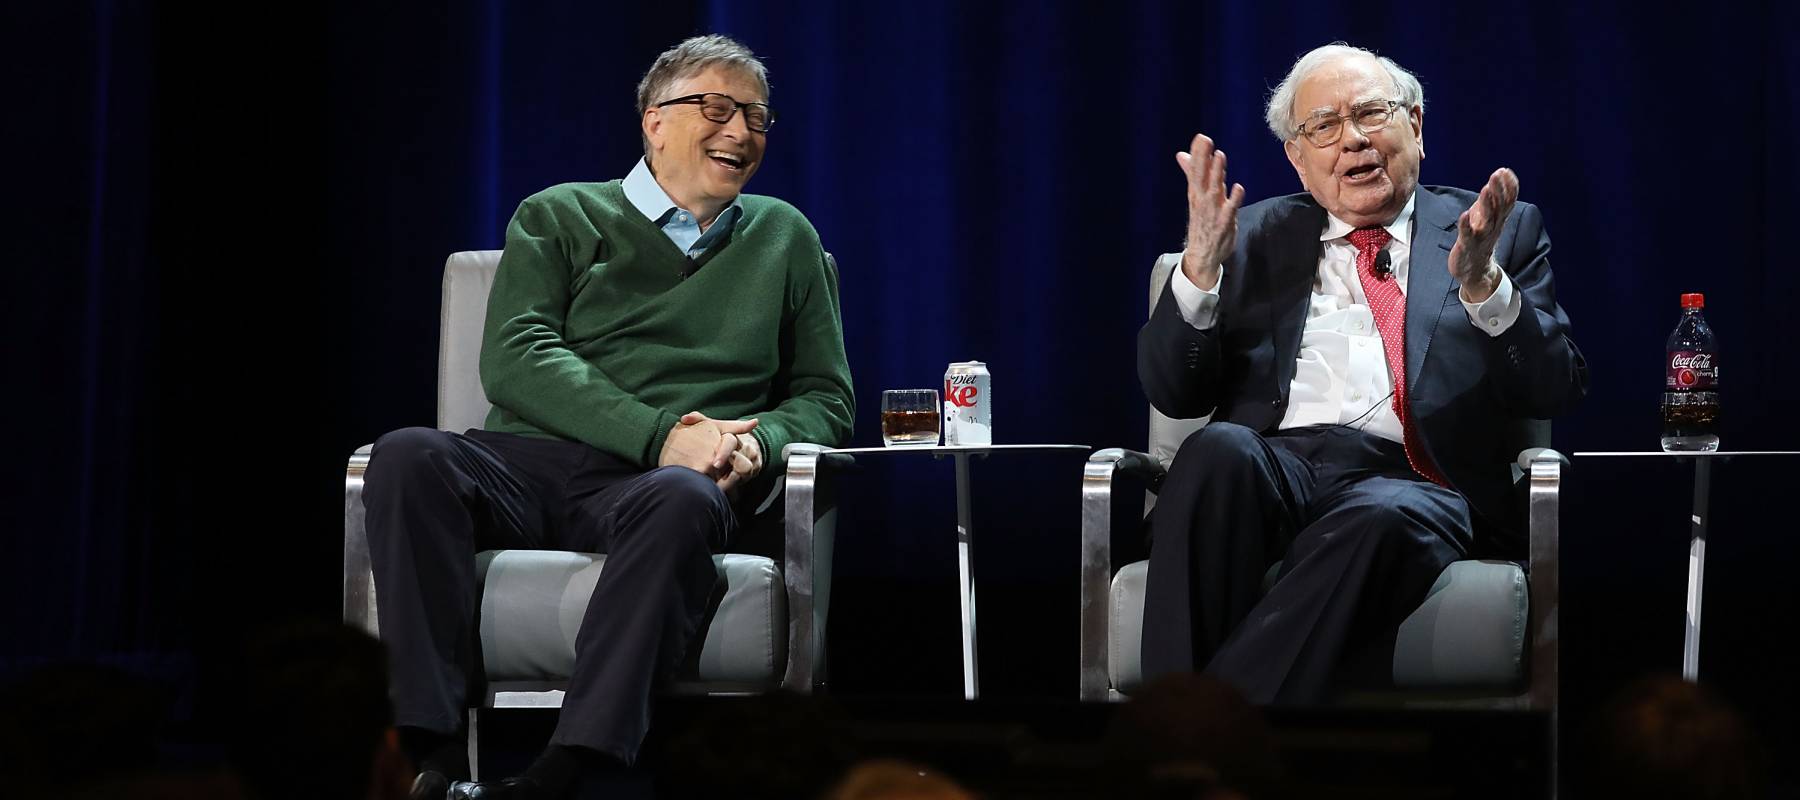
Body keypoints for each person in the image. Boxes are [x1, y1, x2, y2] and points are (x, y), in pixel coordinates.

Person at [360, 34, 855, 800]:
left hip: (660, 489)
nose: (741, 131)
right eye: (716, 107)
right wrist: (662, 434)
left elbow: (827, 399)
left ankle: (571, 769)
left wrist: (758, 444)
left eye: (757, 116)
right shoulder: (560, 213)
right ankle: (429, 757)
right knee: (407, 455)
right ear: (655, 122)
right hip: (530, 463)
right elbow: (518, 357)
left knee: (685, 497)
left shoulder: (784, 235)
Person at [1137, 43, 1586, 704]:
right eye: (1323, 126)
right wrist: (1200, 270)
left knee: (1382, 511)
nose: (1352, 140)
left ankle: (1183, 735)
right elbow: (1175, 392)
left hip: (1413, 476)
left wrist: (1486, 289)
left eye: (1372, 114)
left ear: (1417, 125)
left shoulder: (1497, 232)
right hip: (1275, 468)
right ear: (1297, 156)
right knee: (1214, 450)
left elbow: (1555, 387)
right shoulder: (1250, 237)